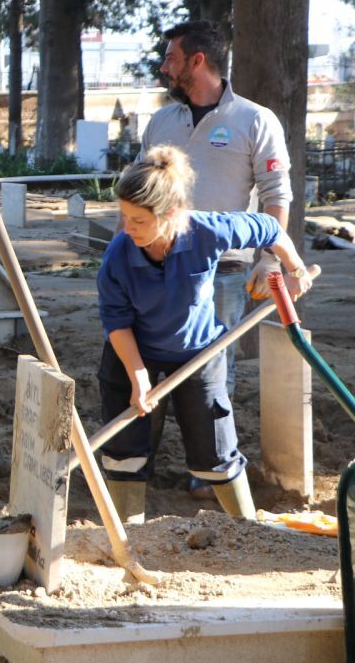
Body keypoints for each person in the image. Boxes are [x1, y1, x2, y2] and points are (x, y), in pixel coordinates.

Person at [96, 145, 312, 524]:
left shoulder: (208, 230)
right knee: (124, 448)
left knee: (215, 446)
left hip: (197, 351)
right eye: (124, 216)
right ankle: (128, 538)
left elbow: (271, 228)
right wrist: (138, 376)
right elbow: (117, 322)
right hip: (134, 350)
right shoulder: (118, 255)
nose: (127, 228)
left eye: (139, 220)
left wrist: (294, 269)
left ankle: (247, 531)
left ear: (170, 215)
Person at [141, 20, 292, 498]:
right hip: (159, 263)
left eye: (171, 58)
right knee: (151, 358)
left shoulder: (254, 120)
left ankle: (208, 470)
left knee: (210, 367)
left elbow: (275, 193)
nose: (164, 67)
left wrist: (270, 258)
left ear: (197, 61)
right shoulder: (162, 122)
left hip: (223, 268)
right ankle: (136, 462)